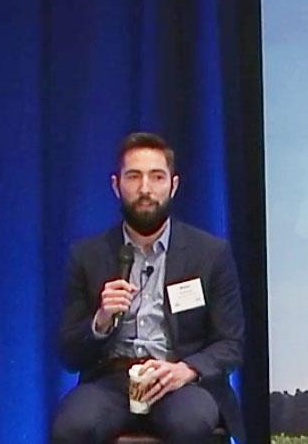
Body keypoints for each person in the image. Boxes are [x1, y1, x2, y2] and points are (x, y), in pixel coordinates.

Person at [51, 132, 245, 443]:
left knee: (191, 424)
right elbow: (69, 353)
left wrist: (187, 369)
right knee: (71, 427)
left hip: (179, 383)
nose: (145, 189)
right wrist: (100, 321)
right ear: (116, 186)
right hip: (111, 381)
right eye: (134, 177)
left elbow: (231, 343)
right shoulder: (87, 256)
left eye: (156, 177)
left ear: (174, 185)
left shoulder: (210, 254)